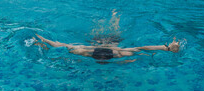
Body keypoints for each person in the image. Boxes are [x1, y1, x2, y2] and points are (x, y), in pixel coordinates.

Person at [33, 11, 181, 61]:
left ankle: (113, 16)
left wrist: (45, 41)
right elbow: (141, 48)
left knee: (104, 30)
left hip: (97, 45)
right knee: (112, 30)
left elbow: (62, 46)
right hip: (105, 46)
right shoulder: (118, 54)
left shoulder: (86, 51)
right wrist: (165, 48)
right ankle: (114, 16)